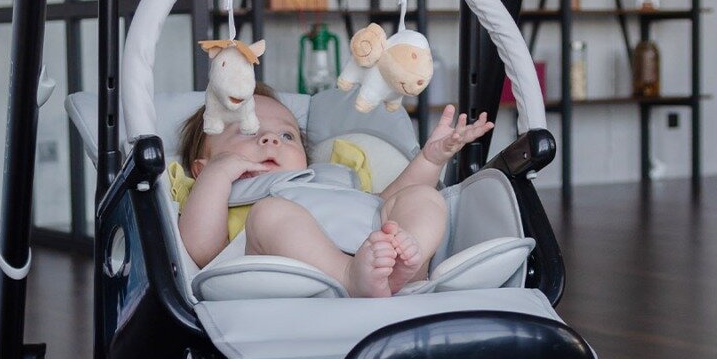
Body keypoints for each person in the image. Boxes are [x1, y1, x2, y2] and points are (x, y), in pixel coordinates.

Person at [173, 84, 493, 298]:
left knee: (421, 197)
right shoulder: (220, 194)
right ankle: (349, 276)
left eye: (287, 136)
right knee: (269, 213)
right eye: (247, 130)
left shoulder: (331, 179)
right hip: (301, 275)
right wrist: (216, 176)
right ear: (202, 167)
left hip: (375, 250)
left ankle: (409, 263)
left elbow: (383, 203)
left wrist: (430, 159)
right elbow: (201, 251)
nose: (270, 140)